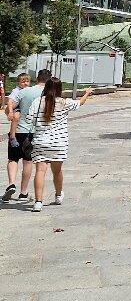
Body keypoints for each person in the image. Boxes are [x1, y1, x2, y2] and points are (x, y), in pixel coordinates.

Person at [23, 78, 93, 212]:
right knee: (57, 171)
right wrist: (86, 93)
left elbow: (28, 119)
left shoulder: (37, 102)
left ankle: (38, 202)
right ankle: (58, 194)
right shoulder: (64, 102)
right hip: (59, 143)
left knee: (40, 171)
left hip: (40, 142)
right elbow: (80, 103)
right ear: (59, 89)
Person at [4, 69, 49, 203]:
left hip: (18, 130)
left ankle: (12, 183)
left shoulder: (23, 92)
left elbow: (8, 109)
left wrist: (11, 113)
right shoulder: (47, 93)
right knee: (28, 161)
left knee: (12, 159)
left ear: (37, 79)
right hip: (35, 131)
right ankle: (23, 192)